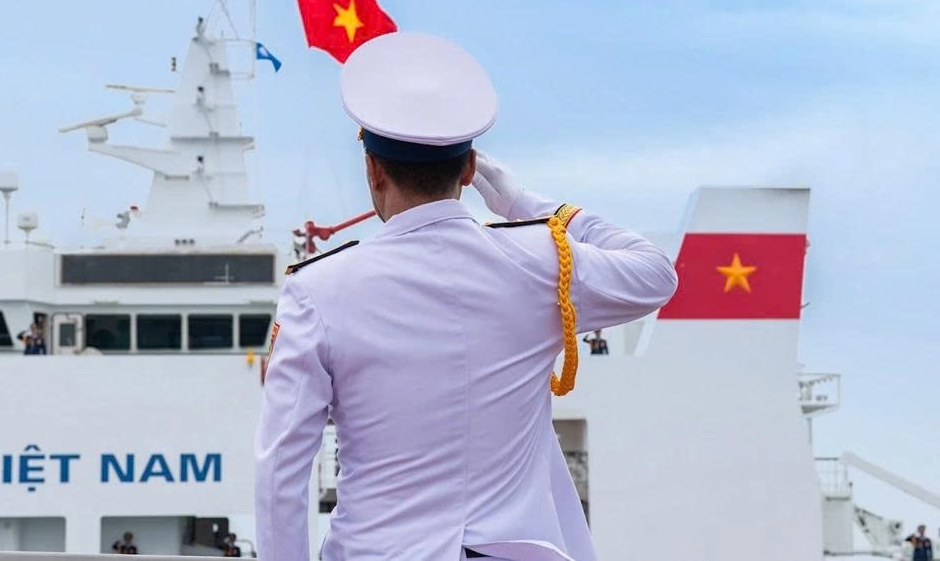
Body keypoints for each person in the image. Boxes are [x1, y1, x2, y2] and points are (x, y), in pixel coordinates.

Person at [254, 33, 678, 561]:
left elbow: (281, 470)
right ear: (472, 169)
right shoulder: (540, 259)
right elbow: (657, 275)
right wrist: (524, 201)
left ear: (373, 168)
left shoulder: (318, 290)